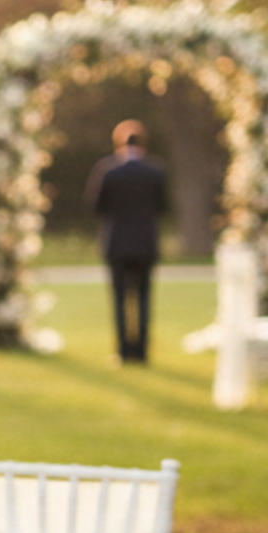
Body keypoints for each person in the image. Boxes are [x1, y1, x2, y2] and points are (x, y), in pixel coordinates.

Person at [85, 120, 167, 365]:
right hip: (145, 244)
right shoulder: (155, 171)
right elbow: (163, 207)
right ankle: (141, 352)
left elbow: (96, 206)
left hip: (117, 244)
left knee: (120, 300)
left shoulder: (108, 170)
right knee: (143, 299)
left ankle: (123, 351)